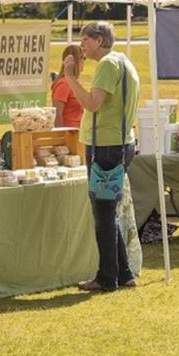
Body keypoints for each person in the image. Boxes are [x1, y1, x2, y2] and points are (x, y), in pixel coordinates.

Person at [61, 21, 138, 293]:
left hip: (106, 144)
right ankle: (124, 272)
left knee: (103, 214)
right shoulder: (124, 62)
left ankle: (107, 278)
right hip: (120, 142)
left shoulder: (107, 65)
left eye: (85, 40)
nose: (82, 45)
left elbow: (93, 104)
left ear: (99, 39)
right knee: (108, 211)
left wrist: (70, 77)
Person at [50, 44, 85, 129]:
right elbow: (57, 114)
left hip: (77, 132)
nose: (84, 62)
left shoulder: (73, 83)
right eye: (83, 58)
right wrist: (60, 136)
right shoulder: (63, 84)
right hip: (68, 132)